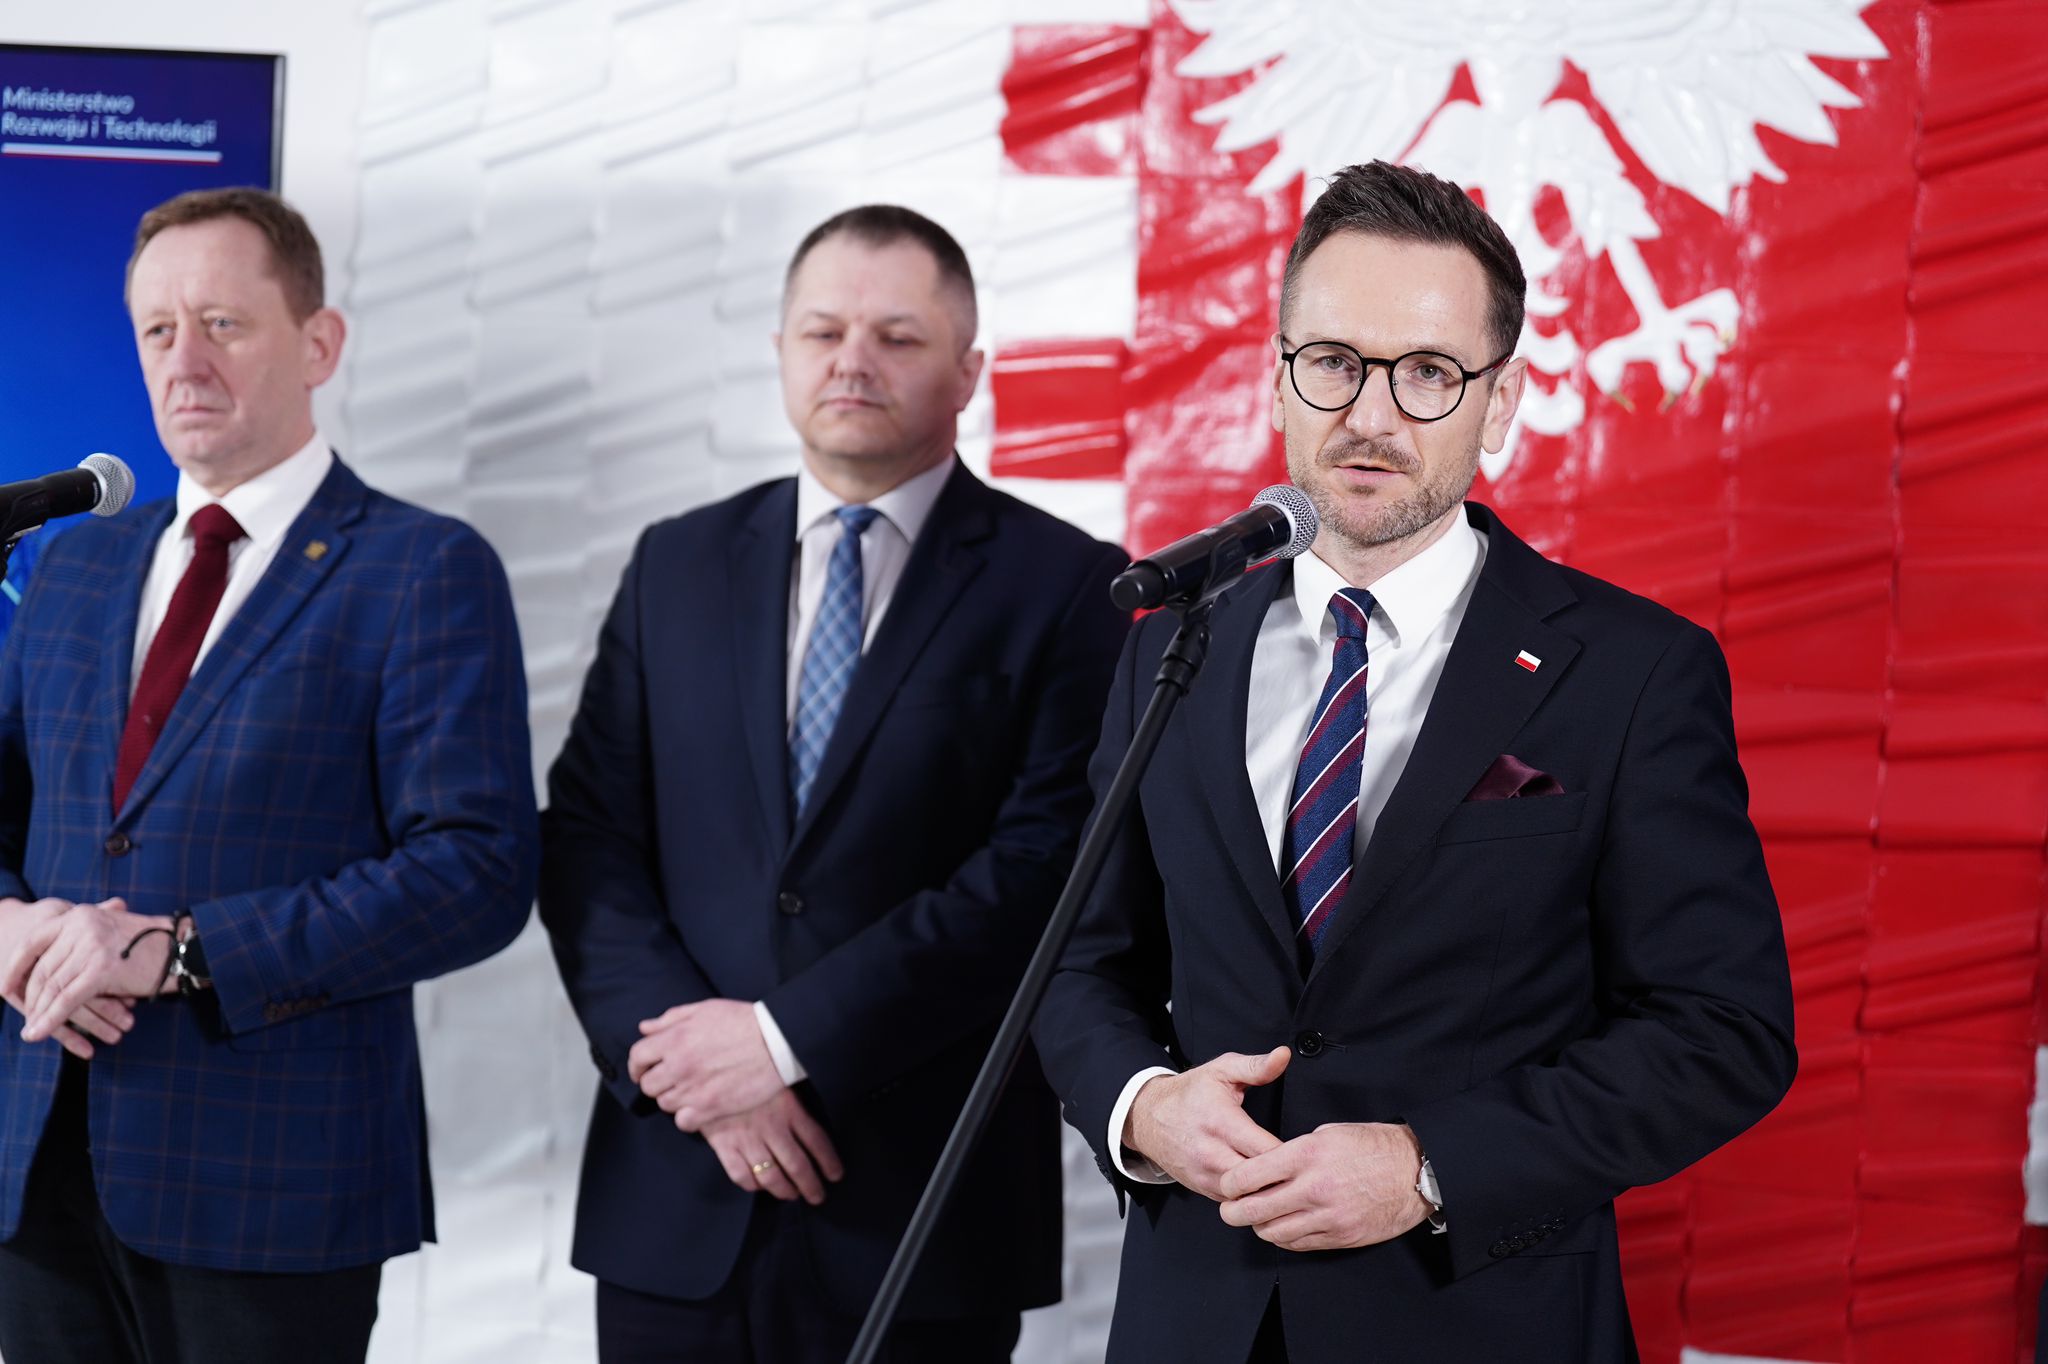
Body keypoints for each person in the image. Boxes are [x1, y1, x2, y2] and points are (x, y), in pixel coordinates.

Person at [1032, 160, 1798, 1363]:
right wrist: (1144, 1105)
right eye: (1332, 361)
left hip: (1478, 1319)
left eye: (1428, 372)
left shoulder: (1633, 671)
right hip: (1195, 1317)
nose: (1370, 415)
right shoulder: (1175, 648)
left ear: (1500, 402)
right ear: (1276, 376)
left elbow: (1720, 1028)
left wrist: (1429, 1165)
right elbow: (1080, 961)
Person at [539, 203, 1128, 1363]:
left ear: (967, 371)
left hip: (918, 1209)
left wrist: (781, 1039)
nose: (852, 359)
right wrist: (693, 1070)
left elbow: (1041, 871)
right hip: (675, 1191)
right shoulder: (674, 562)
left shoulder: (1068, 584)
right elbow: (589, 839)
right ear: (779, 353)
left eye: (896, 336)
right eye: (822, 332)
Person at [0, 187, 537, 1363]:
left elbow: (476, 869)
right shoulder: (74, 566)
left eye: (223, 323)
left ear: (319, 343)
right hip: (40, 1163)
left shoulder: (421, 568)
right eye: (158, 329)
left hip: (271, 1183)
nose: (184, 360)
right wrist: (8, 923)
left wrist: (181, 948)